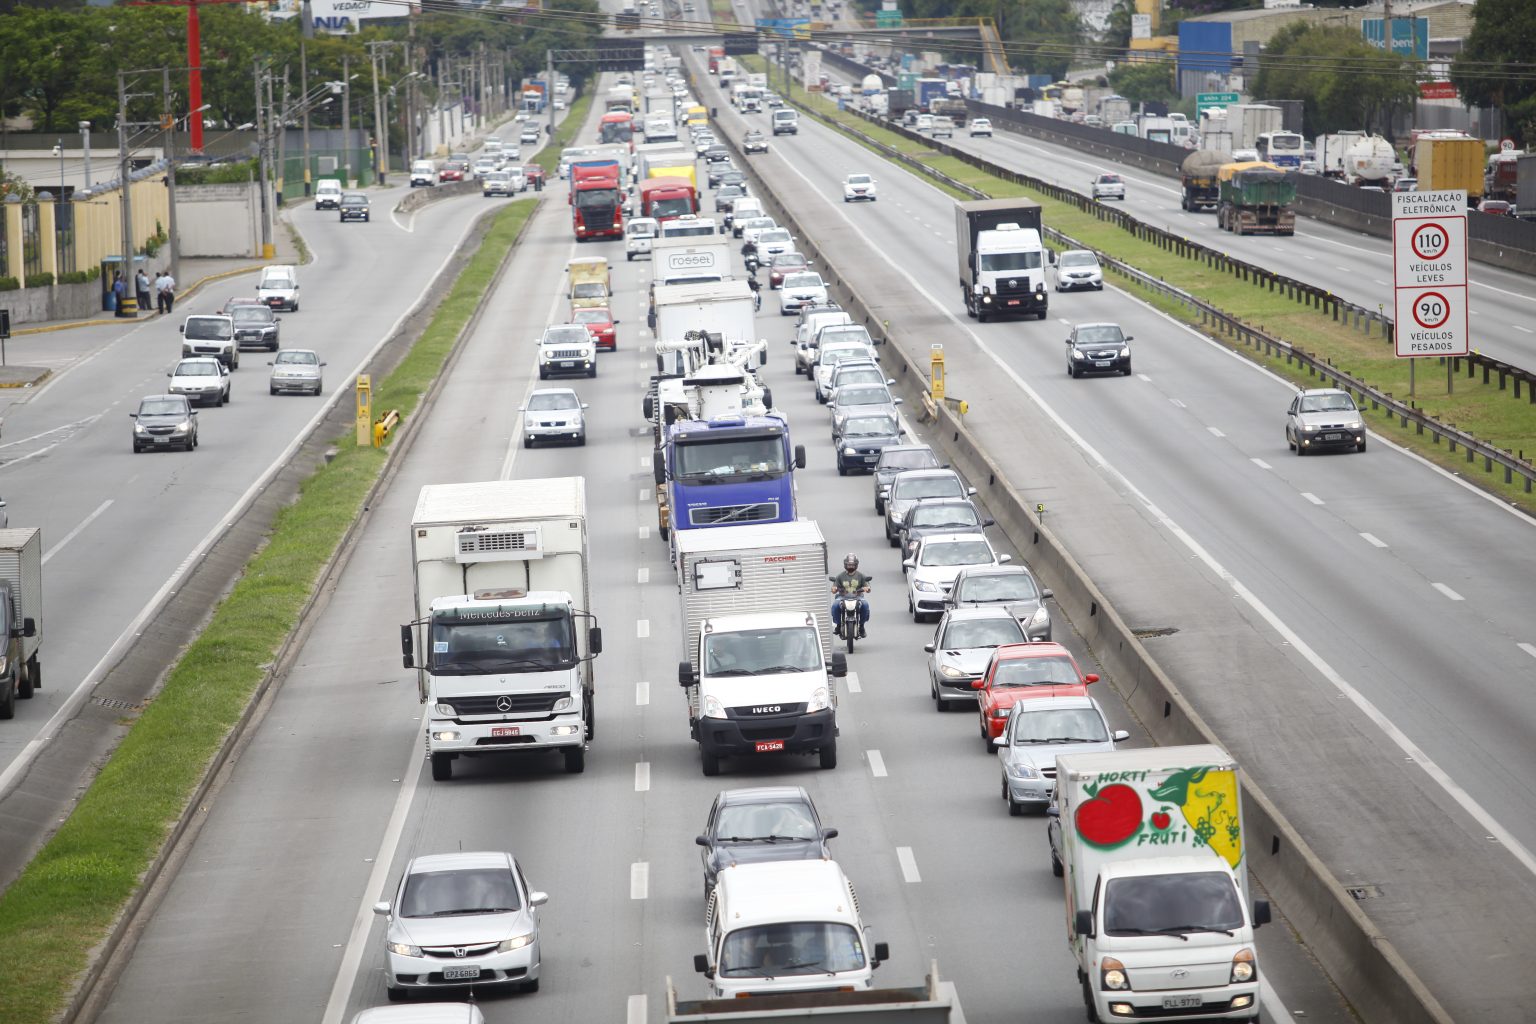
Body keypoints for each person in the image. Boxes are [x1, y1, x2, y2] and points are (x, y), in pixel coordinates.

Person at [829, 553, 871, 639]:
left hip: (858, 597)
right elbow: (834, 587)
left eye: (852, 565)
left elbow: (867, 586)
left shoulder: (861, 576)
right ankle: (838, 625)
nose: (850, 567)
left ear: (856, 565)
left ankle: (862, 626)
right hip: (842, 597)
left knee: (865, 605)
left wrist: (867, 588)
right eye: (849, 565)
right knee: (835, 606)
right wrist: (834, 589)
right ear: (845, 565)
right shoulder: (840, 576)